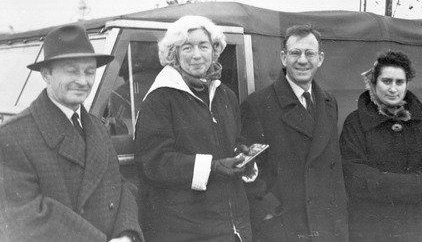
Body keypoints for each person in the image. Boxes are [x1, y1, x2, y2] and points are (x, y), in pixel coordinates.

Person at [0, 24, 143, 242]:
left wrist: (126, 234)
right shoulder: (12, 136)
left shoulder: (97, 128)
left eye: (89, 71)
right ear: (46, 75)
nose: (83, 81)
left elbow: (120, 188)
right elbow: (25, 217)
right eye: (71, 71)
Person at [134, 15, 256, 241]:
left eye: (204, 46)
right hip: (187, 231)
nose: (197, 55)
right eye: (187, 47)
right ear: (174, 54)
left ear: (214, 51)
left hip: (234, 229)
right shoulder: (159, 99)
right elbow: (155, 162)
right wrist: (213, 167)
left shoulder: (225, 95)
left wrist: (242, 153)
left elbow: (233, 139)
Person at [240, 24, 348, 241]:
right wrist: (270, 210)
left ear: (320, 58)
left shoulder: (329, 102)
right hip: (286, 227)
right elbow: (248, 169)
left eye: (309, 53)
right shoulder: (259, 104)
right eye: (295, 53)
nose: (302, 60)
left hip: (326, 226)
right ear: (283, 57)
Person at [339, 50, 422, 242]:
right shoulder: (354, 123)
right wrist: (413, 186)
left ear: (407, 84)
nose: (393, 89)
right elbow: (355, 180)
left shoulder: (421, 123)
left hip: (416, 229)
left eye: (399, 82)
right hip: (372, 230)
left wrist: (382, 183)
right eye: (386, 81)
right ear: (374, 82)